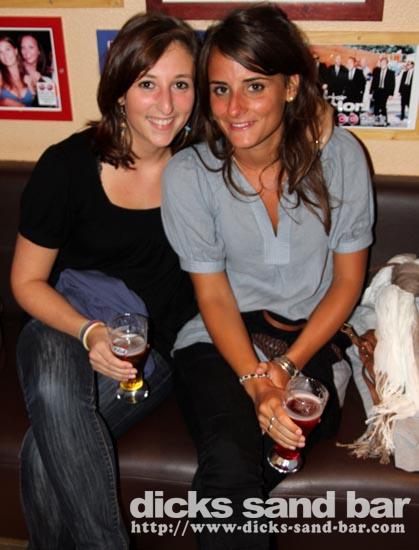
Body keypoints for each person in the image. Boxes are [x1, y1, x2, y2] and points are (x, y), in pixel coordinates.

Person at [162, 4, 374, 549]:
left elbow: (346, 283)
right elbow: (212, 294)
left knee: (250, 466)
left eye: (254, 86)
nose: (234, 108)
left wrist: (286, 365)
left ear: (290, 86)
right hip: (219, 339)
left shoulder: (341, 158)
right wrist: (255, 381)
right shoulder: (190, 173)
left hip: (312, 341)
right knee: (231, 461)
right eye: (220, 89)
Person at [10, 12, 200, 549]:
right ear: (119, 91)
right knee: (54, 385)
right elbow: (26, 282)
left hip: (148, 352)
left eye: (181, 84)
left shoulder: (202, 170)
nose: (166, 105)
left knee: (42, 454)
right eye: (147, 84)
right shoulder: (66, 167)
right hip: (64, 324)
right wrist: (90, 332)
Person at [0, 35, 35, 107]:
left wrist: (31, 88)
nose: (5, 55)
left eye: (7, 49)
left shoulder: (29, 72)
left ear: (15, 51)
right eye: (0, 52)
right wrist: (5, 102)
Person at [370, 56, 396, 125]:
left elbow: (393, 84)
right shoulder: (377, 71)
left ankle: (385, 121)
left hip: (385, 92)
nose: (382, 64)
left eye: (384, 63)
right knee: (376, 106)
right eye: (381, 63)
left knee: (383, 106)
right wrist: (371, 92)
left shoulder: (391, 73)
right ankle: (376, 121)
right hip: (377, 91)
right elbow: (373, 82)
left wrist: (391, 94)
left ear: (387, 64)